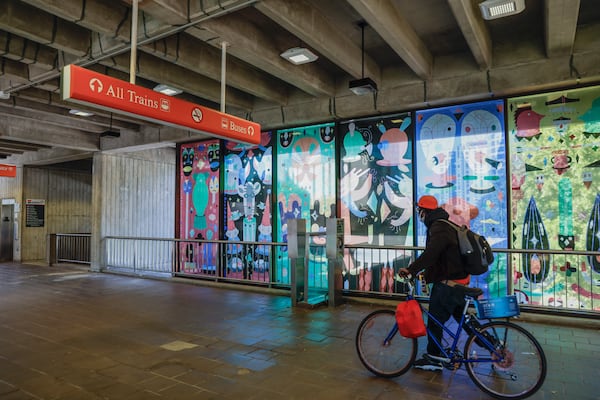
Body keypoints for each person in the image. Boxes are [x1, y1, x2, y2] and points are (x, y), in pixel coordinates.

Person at [398, 195, 471, 371]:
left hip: (449, 284)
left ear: (423, 212)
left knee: (435, 322)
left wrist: (411, 269)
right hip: (459, 281)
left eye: (419, 211)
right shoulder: (446, 225)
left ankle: (434, 359)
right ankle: (493, 345)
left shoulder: (438, 227)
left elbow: (431, 254)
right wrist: (424, 272)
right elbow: (441, 257)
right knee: (463, 319)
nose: (419, 215)